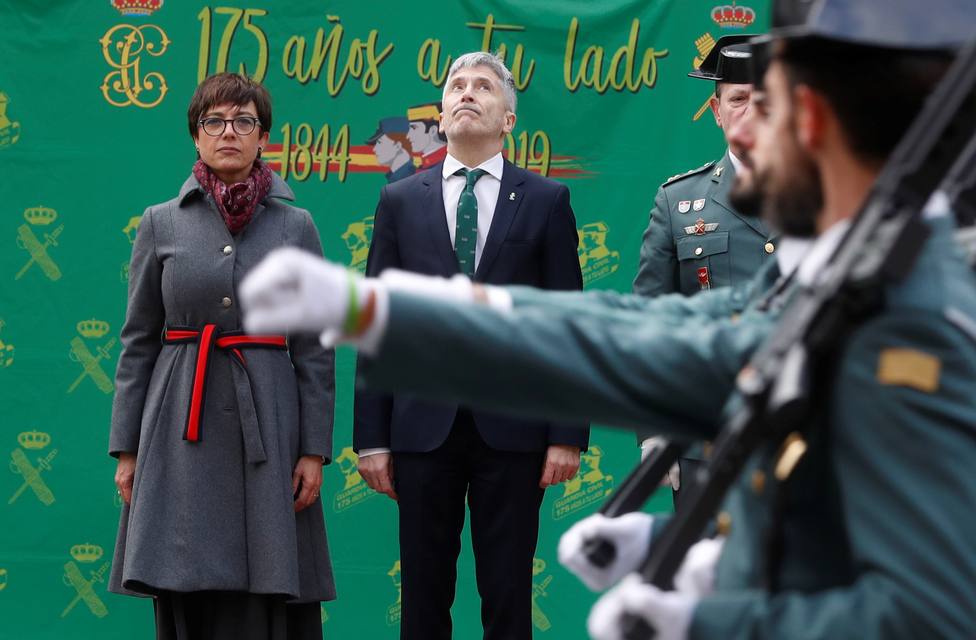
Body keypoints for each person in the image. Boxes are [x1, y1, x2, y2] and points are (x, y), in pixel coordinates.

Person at [240, 0, 976, 636]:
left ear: (810, 119)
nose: (740, 135)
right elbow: (641, 337)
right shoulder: (849, 278)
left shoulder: (903, 322)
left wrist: (704, 619)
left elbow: (925, 613)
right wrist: (381, 311)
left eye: (765, 108)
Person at [352, 51, 589, 640]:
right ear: (440, 112)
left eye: (483, 87)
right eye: (456, 86)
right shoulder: (400, 200)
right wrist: (372, 438)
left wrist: (566, 432)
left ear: (508, 118)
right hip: (419, 428)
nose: (467, 93)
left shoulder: (546, 200)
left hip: (513, 430)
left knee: (508, 595)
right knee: (424, 598)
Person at [109, 72, 336, 639]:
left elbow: (313, 348)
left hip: (272, 420)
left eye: (244, 122)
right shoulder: (160, 222)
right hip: (178, 421)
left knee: (270, 568)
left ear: (264, 137)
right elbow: (138, 339)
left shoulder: (296, 226)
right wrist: (127, 449)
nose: (228, 132)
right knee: (185, 571)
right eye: (214, 121)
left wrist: (313, 451)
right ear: (196, 136)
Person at [633, 35, 775, 501]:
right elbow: (651, 321)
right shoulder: (677, 202)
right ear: (716, 111)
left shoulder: (826, 195)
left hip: (803, 433)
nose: (749, 110)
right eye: (737, 99)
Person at [367, 116, 417, 183]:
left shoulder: (408, 179)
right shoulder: (397, 176)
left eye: (379, 142)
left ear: (397, 146)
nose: (374, 149)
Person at [406, 101, 448, 170]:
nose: (408, 136)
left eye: (414, 128)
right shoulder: (421, 162)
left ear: (432, 131)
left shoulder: (445, 163)